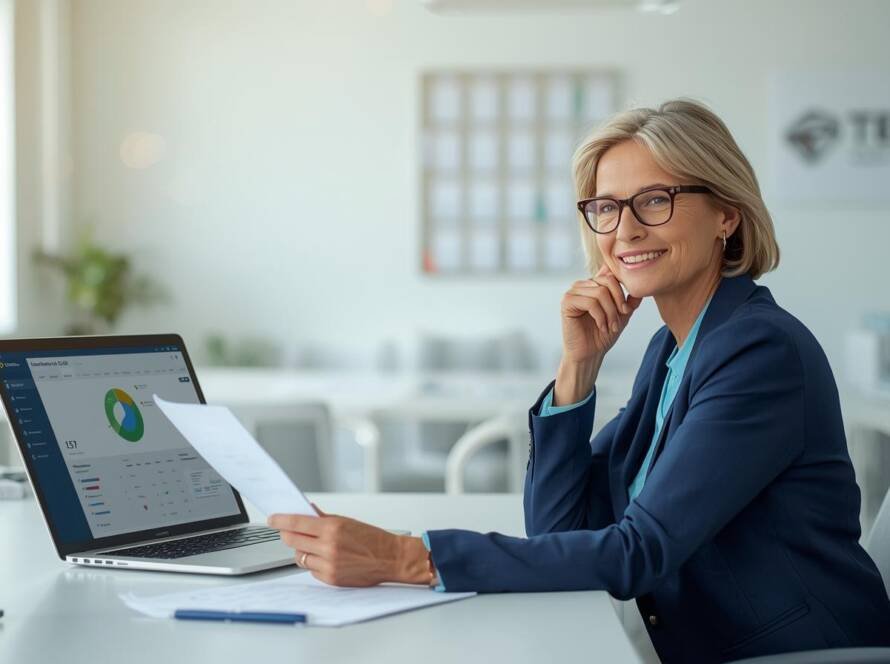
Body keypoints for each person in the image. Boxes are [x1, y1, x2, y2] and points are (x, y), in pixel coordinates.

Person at [268, 99, 890, 662]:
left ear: (727, 214)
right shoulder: (671, 350)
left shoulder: (758, 351)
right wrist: (578, 368)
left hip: (797, 653)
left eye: (654, 200)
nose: (624, 231)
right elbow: (561, 529)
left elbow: (635, 552)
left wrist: (403, 557)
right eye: (605, 208)